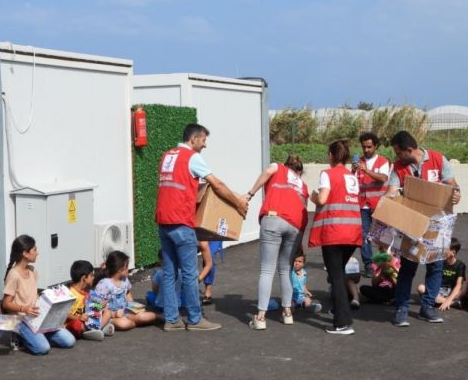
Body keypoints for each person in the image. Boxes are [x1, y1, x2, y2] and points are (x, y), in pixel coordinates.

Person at [155, 123, 248, 332]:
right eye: (204, 141)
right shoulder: (192, 158)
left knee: (169, 273)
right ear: (194, 139)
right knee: (189, 273)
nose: (204, 145)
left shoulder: (167, 156)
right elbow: (217, 184)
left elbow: (178, 184)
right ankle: (195, 319)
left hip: (163, 221)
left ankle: (172, 320)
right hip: (181, 222)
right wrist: (238, 202)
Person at [385, 130, 461, 327]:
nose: (397, 157)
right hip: (411, 223)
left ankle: (427, 307)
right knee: (407, 266)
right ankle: (401, 308)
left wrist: (457, 194)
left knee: (435, 265)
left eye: (399, 153)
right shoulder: (399, 168)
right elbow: (391, 191)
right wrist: (390, 199)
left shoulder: (437, 159)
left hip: (437, 223)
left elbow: (453, 185)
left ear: (409, 150)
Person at [244, 155, 309, 330]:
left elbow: (267, 172)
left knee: (267, 269)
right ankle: (287, 313)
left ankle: (261, 317)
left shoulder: (278, 167)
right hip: (295, 227)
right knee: (286, 269)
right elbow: (304, 213)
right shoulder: (303, 186)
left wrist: (250, 194)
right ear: (300, 171)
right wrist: (300, 240)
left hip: (274, 218)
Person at [309, 140, 362, 335]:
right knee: (338, 273)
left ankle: (342, 322)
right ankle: (340, 310)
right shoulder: (352, 176)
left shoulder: (327, 174)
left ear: (331, 155)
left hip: (334, 231)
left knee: (336, 276)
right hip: (352, 232)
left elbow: (323, 199)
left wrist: (312, 196)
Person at [1, 235, 75, 355]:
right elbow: (6, 303)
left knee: (69, 341)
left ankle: (37, 336)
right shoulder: (13, 274)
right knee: (42, 348)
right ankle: (19, 336)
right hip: (21, 319)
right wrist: (24, 309)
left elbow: (32, 294)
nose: (38, 252)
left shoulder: (32, 271)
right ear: (25, 253)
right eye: (35, 249)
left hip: (37, 318)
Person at [351, 132, 389, 278]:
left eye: (369, 147)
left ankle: (383, 264)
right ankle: (368, 265)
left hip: (378, 204)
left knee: (382, 236)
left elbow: (383, 178)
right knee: (363, 235)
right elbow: (352, 181)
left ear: (376, 146)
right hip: (362, 205)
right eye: (363, 147)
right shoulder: (358, 161)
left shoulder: (383, 161)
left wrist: (366, 170)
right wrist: (353, 172)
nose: (366, 150)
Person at [93, 251, 157, 331]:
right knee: (124, 324)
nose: (128, 269)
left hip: (125, 311)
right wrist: (113, 314)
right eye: (126, 267)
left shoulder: (124, 280)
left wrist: (135, 308)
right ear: (119, 269)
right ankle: (108, 323)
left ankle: (159, 317)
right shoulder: (104, 284)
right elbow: (95, 304)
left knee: (144, 316)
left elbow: (127, 293)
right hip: (111, 315)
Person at [65, 260, 109, 341]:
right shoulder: (70, 294)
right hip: (72, 322)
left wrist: (100, 306)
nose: (93, 277)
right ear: (84, 278)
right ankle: (91, 332)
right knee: (77, 324)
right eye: (91, 275)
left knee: (107, 311)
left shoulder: (86, 292)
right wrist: (78, 317)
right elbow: (64, 313)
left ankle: (97, 328)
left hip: (86, 320)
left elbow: (90, 306)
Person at [418, 237, 466, 310]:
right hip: (438, 290)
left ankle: (438, 301)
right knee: (421, 288)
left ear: (453, 253)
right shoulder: (439, 262)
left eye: (445, 249)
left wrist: (449, 299)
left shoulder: (460, 265)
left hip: (451, 292)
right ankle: (453, 303)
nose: (442, 251)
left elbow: (458, 285)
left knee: (464, 289)